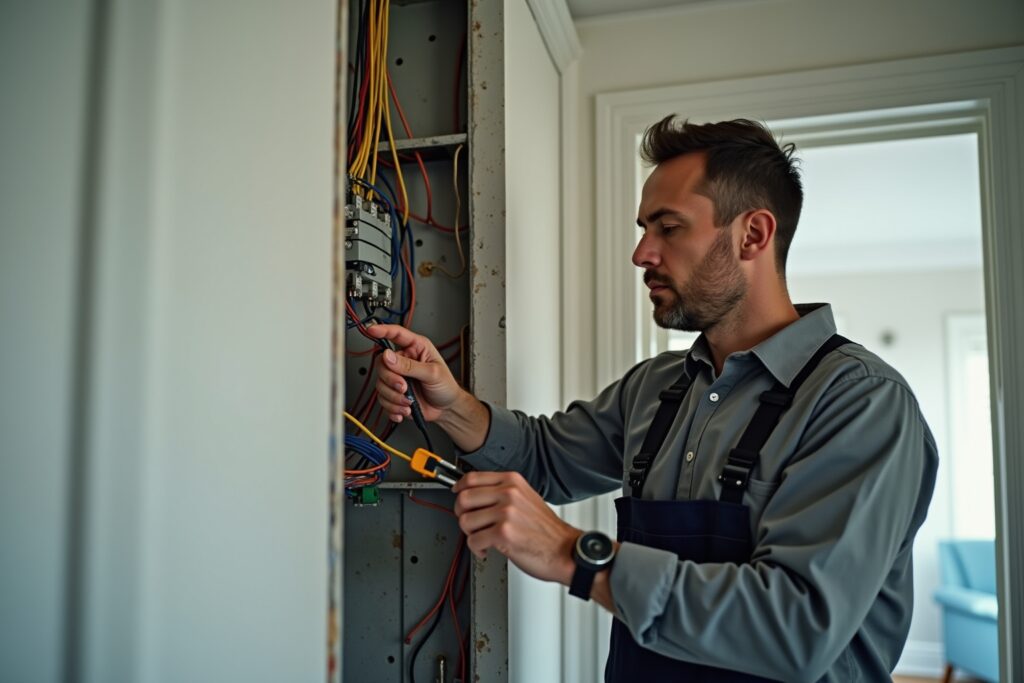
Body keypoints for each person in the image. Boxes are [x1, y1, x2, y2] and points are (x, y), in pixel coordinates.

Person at [368, 116, 938, 682]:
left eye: (669, 228)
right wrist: (452, 406)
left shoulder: (861, 403)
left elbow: (796, 628)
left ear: (753, 235)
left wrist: (574, 555)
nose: (642, 253)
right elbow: (545, 458)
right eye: (644, 228)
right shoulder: (657, 387)